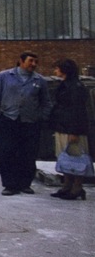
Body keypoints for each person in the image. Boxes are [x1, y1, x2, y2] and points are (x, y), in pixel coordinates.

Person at [0, 51, 54, 196]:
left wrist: (41, 118)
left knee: (28, 153)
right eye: (31, 61)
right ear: (21, 61)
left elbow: (46, 103)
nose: (34, 64)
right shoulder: (4, 76)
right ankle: (10, 185)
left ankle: (25, 184)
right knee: (7, 152)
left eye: (36, 62)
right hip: (8, 120)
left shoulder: (39, 80)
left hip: (30, 122)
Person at [49, 58, 93, 200]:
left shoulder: (76, 87)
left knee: (76, 159)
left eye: (57, 68)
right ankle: (67, 185)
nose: (55, 71)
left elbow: (78, 110)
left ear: (64, 70)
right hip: (63, 126)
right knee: (65, 158)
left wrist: (74, 131)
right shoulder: (64, 85)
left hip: (73, 129)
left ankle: (77, 187)